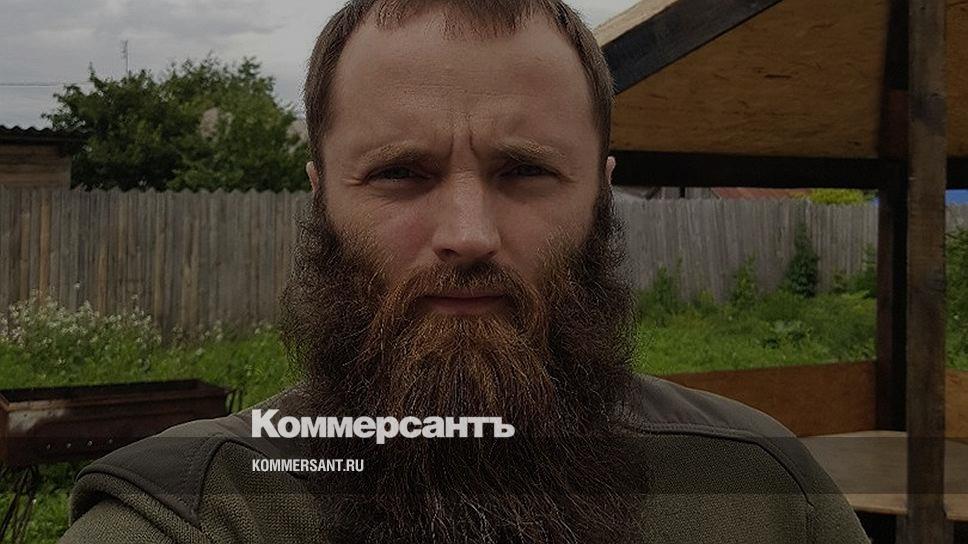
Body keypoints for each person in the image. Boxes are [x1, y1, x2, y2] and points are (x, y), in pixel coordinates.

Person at [61, 1, 869, 542]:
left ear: (601, 193)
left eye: (524, 171)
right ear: (320, 196)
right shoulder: (195, 515)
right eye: (399, 173)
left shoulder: (760, 493)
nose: (468, 235)